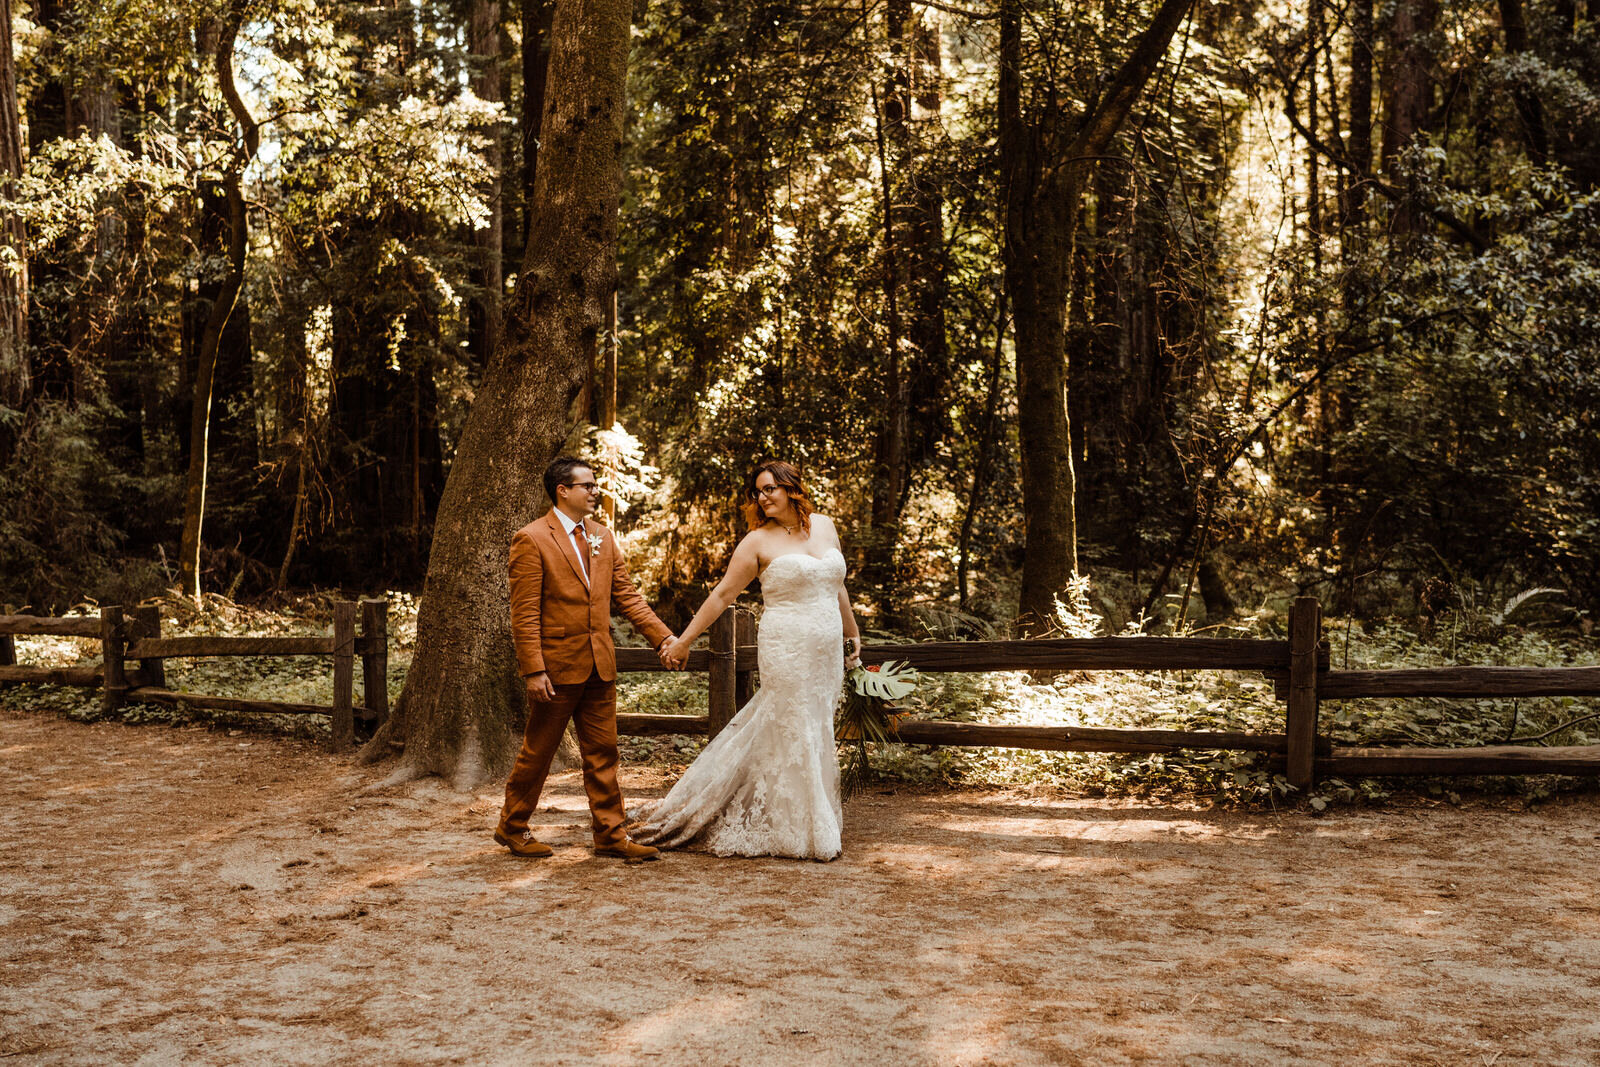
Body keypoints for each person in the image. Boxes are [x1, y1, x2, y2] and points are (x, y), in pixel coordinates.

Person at [630, 460, 862, 860]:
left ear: (792, 488)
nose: (763, 496)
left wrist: (852, 631)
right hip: (787, 646)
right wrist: (683, 642)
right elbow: (722, 595)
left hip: (824, 650)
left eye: (770, 488)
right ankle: (801, 830)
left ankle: (807, 817)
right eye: (758, 490)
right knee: (794, 724)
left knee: (817, 723)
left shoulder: (824, 526)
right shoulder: (756, 541)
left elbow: (836, 584)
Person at [493, 456, 683, 861]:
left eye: (595, 486)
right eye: (588, 486)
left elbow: (627, 596)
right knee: (538, 751)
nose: (596, 492)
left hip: (600, 663)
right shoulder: (531, 538)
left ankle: (611, 836)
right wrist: (534, 669)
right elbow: (523, 612)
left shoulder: (602, 536)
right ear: (563, 490)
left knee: (603, 752)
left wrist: (664, 638)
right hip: (556, 668)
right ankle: (512, 827)